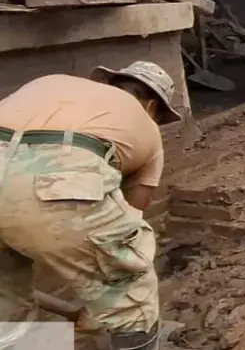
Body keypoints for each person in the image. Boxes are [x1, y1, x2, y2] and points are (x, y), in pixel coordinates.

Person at [0, 62, 182, 350]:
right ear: (151, 107)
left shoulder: (52, 81)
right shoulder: (144, 122)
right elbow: (127, 221)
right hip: (57, 180)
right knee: (132, 298)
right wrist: (104, 294)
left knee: (6, 304)